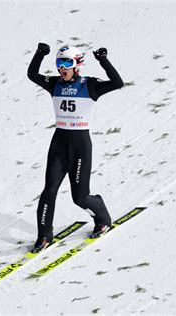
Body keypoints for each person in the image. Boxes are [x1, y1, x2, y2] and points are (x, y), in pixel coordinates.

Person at [27, 42, 124, 253]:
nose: (62, 68)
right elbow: (32, 75)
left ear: (77, 64)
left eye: (66, 63)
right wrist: (39, 54)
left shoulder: (89, 86)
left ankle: (102, 216)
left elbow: (118, 83)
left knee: (79, 198)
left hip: (80, 146)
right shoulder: (55, 84)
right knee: (48, 191)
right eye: (59, 63)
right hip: (59, 143)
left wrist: (103, 60)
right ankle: (44, 235)